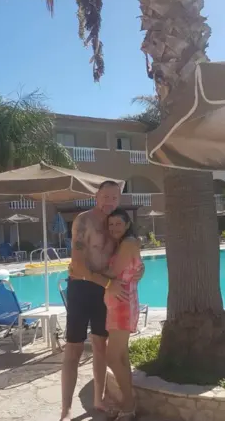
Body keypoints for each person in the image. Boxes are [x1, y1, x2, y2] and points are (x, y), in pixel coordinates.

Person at [61, 180, 143, 421]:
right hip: (83, 288)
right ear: (96, 196)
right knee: (73, 348)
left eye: (114, 198)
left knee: (100, 346)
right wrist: (107, 283)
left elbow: (128, 255)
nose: (110, 201)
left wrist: (141, 268)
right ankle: (66, 409)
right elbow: (77, 264)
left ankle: (98, 400)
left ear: (119, 200)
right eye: (105, 196)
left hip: (107, 293)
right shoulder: (84, 221)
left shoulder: (115, 225)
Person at [102, 208, 143, 420]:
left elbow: (112, 272)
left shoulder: (128, 243)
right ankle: (129, 404)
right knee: (121, 357)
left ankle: (128, 403)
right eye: (111, 225)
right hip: (118, 304)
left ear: (127, 224)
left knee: (111, 357)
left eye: (118, 224)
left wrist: (86, 270)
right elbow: (132, 271)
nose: (114, 228)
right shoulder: (124, 244)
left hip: (122, 305)